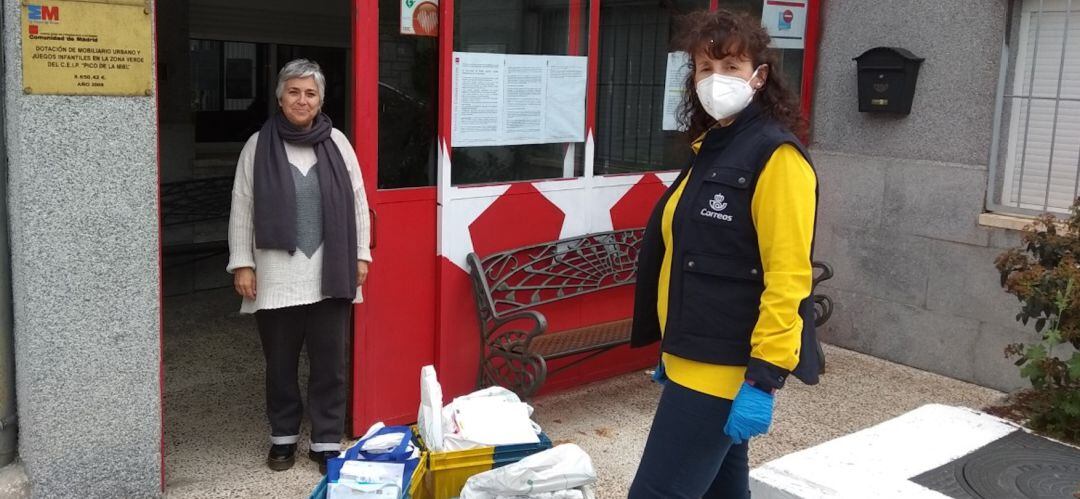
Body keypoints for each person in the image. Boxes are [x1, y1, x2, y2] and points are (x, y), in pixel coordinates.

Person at [628, 9, 820, 498]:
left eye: (730, 67)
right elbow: (688, 253)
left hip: (723, 368)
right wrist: (673, 344)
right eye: (703, 68)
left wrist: (765, 376)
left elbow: (788, 277)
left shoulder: (777, 157)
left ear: (759, 76)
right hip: (692, 355)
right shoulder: (711, 146)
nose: (715, 80)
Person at [227, 59, 372, 474]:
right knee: (280, 365)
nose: (302, 100)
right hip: (276, 278)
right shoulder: (258, 145)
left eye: (310, 93)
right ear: (279, 96)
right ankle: (283, 439)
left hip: (331, 273)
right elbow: (242, 206)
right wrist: (243, 264)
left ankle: (325, 442)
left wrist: (362, 254)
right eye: (294, 91)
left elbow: (359, 204)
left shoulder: (339, 144)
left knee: (330, 363)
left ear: (321, 99)